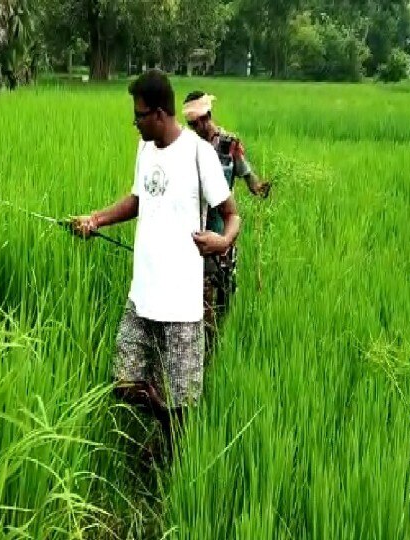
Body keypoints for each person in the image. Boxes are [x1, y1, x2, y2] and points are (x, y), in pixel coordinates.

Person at [70, 70, 241, 463]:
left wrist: (223, 240)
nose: (135, 122)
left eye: (140, 115)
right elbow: (137, 200)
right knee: (125, 383)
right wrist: (95, 219)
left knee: (182, 398)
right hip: (142, 293)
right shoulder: (145, 150)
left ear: (161, 113)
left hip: (181, 300)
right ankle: (164, 427)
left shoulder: (199, 154)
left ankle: (172, 460)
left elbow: (231, 214)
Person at [182, 91, 270, 355]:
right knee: (203, 287)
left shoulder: (229, 144)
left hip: (223, 225)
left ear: (208, 116)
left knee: (225, 286)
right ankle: (204, 344)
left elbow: (246, 174)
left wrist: (258, 186)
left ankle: (219, 341)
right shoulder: (187, 146)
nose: (196, 128)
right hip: (197, 226)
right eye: (191, 124)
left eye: (198, 122)